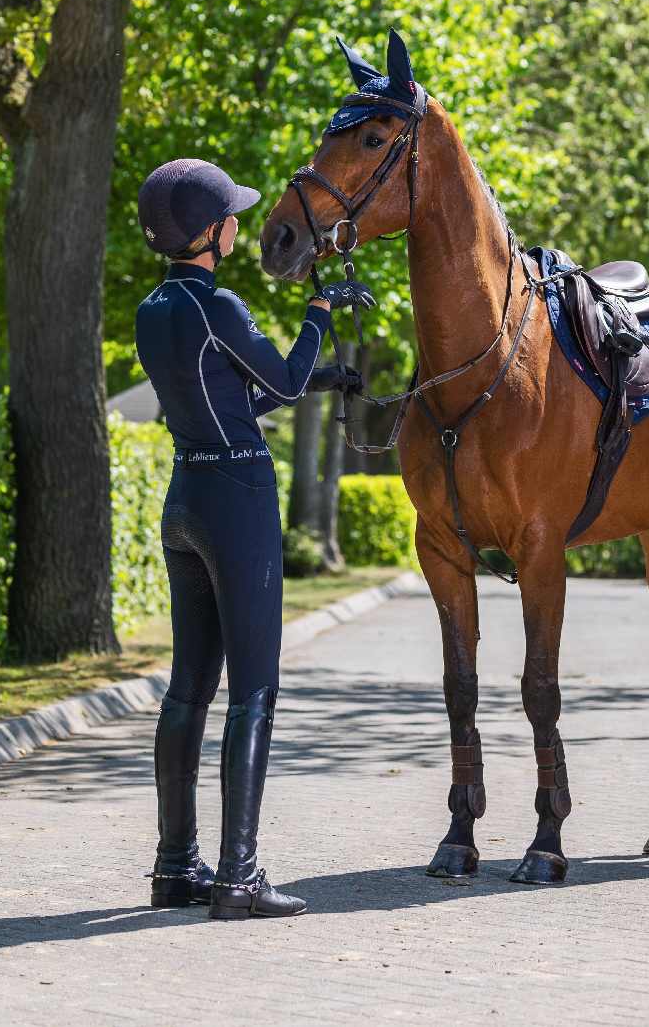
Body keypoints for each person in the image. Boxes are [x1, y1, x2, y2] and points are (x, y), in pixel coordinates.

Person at [135, 158, 374, 921]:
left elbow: (243, 393)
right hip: (237, 498)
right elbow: (286, 380)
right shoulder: (220, 305)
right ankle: (239, 877)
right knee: (255, 689)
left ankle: (175, 868)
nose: (240, 222)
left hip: (185, 495)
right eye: (231, 215)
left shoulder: (154, 311)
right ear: (212, 233)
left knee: (187, 690)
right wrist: (320, 312)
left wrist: (325, 373)